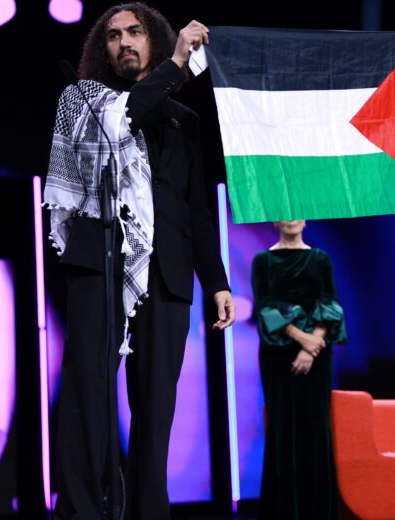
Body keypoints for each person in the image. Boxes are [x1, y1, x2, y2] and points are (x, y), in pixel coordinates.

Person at [43, 3, 235, 519]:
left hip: (166, 274)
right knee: (88, 396)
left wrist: (215, 279)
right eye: (113, 36)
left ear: (152, 38)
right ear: (101, 51)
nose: (125, 42)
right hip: (99, 264)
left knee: (156, 411)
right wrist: (176, 64)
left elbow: (196, 205)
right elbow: (130, 113)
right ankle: (82, 511)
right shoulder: (86, 102)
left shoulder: (184, 119)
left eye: (135, 32)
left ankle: (151, 510)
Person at [250, 220, 347, 520]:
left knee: (316, 430)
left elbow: (330, 303)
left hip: (316, 357)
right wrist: (302, 338)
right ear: (275, 219)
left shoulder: (320, 259)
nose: (291, 217)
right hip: (278, 356)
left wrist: (311, 346)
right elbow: (264, 306)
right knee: (283, 430)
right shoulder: (263, 261)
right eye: (284, 211)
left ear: (305, 218)